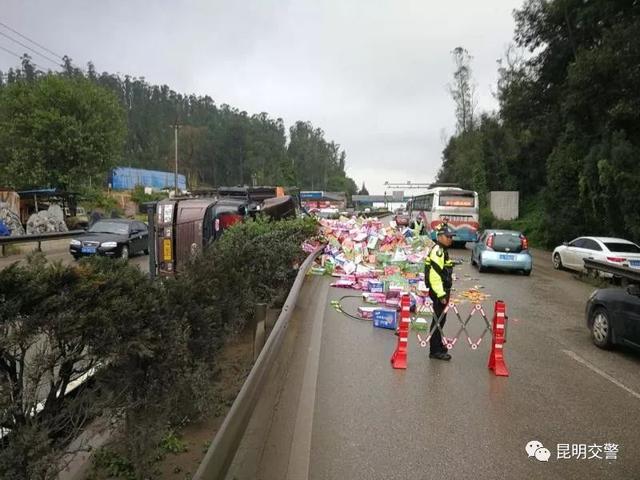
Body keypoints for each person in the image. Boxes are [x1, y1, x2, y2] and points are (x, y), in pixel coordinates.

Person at [425, 223, 455, 360]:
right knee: (438, 320)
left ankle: (438, 346)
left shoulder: (442, 250)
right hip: (439, 291)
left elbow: (443, 270)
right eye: (448, 236)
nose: (450, 239)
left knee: (440, 320)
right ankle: (435, 350)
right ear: (440, 237)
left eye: (451, 237)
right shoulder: (438, 251)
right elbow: (435, 276)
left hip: (442, 290)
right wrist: (441, 294)